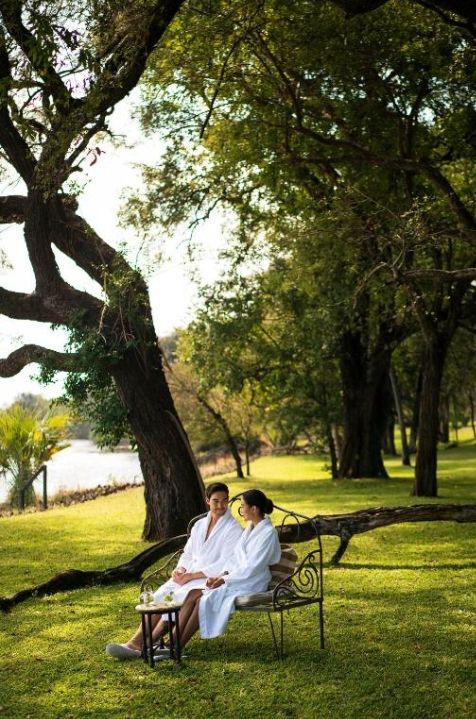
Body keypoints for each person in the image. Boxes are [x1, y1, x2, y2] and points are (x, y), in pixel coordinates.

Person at [106, 482, 242, 660]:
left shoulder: (233, 529)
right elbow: (188, 552)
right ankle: (135, 643)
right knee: (161, 595)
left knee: (180, 597)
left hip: (207, 579)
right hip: (188, 575)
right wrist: (180, 569)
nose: (220, 506)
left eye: (224, 501)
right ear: (207, 500)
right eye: (216, 501)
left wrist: (192, 576)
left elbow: (226, 563)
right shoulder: (199, 525)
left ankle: (143, 646)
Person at [154, 488, 281, 656]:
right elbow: (234, 558)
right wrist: (221, 575)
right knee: (193, 594)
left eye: (243, 506)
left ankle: (175, 646)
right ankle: (172, 644)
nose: (240, 510)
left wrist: (225, 580)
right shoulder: (250, 528)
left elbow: (253, 567)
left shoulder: (268, 533)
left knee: (202, 599)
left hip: (252, 582)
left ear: (254, 509)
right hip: (235, 577)